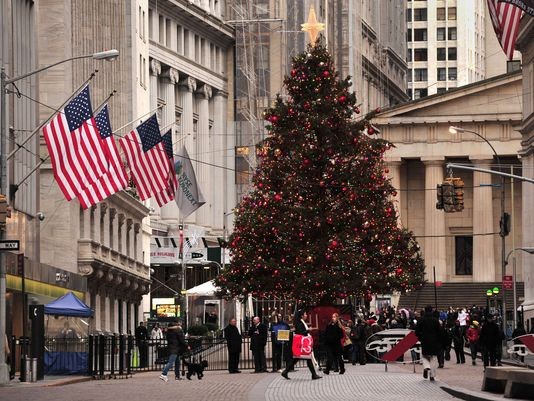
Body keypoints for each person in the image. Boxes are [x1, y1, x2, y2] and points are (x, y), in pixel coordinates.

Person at [281, 310, 321, 380]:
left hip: (302, 343)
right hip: (301, 344)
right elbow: (300, 332)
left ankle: (285, 371)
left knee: (296, 359)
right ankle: (314, 375)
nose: (306, 315)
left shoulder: (301, 322)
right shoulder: (299, 323)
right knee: (308, 358)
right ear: (301, 315)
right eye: (305, 314)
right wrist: (308, 330)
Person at [415, 305, 442, 381]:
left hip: (424, 340)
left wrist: (420, 337)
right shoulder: (435, 320)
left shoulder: (421, 319)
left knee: (424, 355)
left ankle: (426, 367)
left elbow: (417, 331)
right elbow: (439, 331)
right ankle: (432, 375)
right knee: (433, 357)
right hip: (434, 340)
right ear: (431, 311)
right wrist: (438, 340)